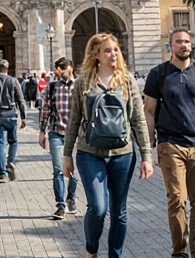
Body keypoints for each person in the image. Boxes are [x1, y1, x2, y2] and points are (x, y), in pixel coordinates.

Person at [63, 33, 153, 258]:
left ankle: (116, 255)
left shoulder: (127, 80)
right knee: (98, 208)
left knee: (119, 211)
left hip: (123, 154)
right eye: (107, 50)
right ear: (95, 55)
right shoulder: (83, 81)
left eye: (115, 50)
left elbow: (139, 119)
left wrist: (146, 155)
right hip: (89, 152)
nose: (113, 54)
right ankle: (91, 250)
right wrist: (67, 155)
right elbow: (74, 120)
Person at [144, 28, 195, 258]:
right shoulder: (158, 74)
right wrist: (147, 147)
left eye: (187, 42)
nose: (184, 45)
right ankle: (179, 252)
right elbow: (149, 111)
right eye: (179, 42)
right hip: (170, 144)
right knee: (177, 200)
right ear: (170, 45)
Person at [38, 57, 80, 220]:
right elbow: (45, 109)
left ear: (70, 68)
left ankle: (71, 197)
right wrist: (42, 131)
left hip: (76, 135)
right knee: (58, 170)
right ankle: (60, 206)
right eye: (58, 68)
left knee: (74, 171)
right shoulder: (52, 87)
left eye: (64, 67)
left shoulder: (79, 86)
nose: (61, 70)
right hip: (56, 132)